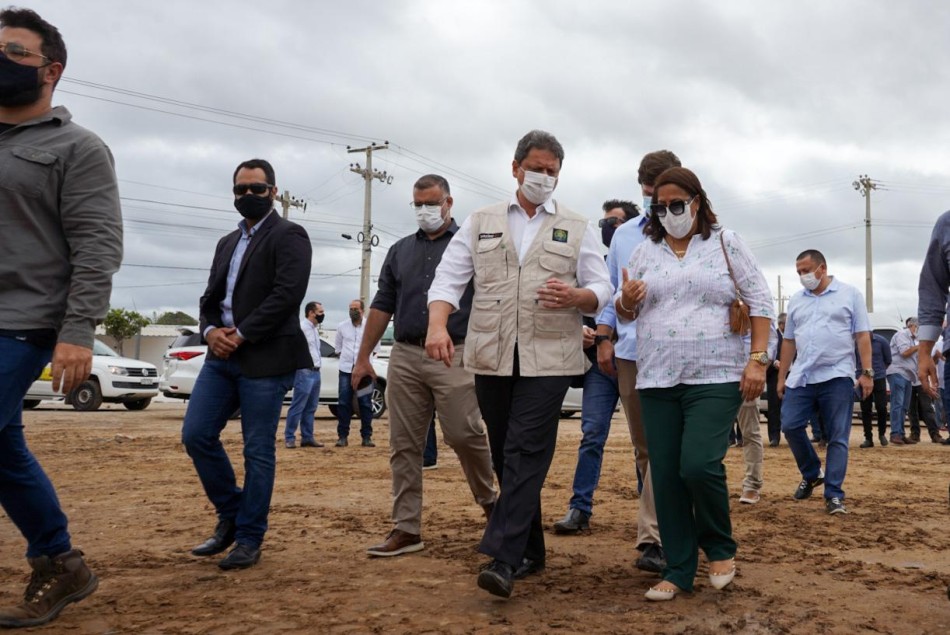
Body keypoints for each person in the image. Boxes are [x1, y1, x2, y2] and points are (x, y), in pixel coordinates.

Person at [426, 130, 612, 598]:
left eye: (552, 171)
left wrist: (578, 296)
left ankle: (503, 557)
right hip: (491, 354)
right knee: (507, 451)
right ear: (515, 168)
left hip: (550, 357)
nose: (543, 177)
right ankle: (531, 549)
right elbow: (448, 280)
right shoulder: (480, 221)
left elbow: (601, 287)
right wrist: (437, 325)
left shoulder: (577, 225)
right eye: (537, 168)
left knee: (525, 448)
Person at [0, 8, 121, 627]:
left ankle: (55, 558)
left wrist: (78, 333)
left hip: (22, 320)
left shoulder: (77, 148)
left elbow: (98, 246)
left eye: (13, 52)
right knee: (2, 443)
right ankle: (60, 561)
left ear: (51, 69)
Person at [617, 166, 774, 601]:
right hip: (657, 377)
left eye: (677, 205)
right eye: (660, 207)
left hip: (717, 375)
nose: (669, 213)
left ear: (697, 202)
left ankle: (720, 548)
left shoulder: (725, 241)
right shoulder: (646, 251)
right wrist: (625, 303)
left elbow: (760, 302)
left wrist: (758, 362)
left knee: (698, 465)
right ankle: (679, 568)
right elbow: (624, 309)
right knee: (664, 474)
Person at [352, 174, 496, 558]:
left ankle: (493, 507)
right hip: (405, 355)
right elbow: (382, 305)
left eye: (431, 203)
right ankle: (406, 527)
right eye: (417, 204)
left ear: (449, 203)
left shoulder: (470, 247)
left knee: (465, 435)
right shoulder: (399, 251)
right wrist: (363, 356)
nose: (424, 211)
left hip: (457, 353)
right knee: (404, 444)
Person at [182, 158, 312, 571]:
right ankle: (232, 514)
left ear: (273, 191)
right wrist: (209, 332)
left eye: (257, 189)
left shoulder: (290, 235)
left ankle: (250, 537)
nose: (248, 196)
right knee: (196, 435)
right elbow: (209, 300)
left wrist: (241, 333)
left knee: (258, 451)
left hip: (265, 358)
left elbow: (287, 294)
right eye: (241, 190)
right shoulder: (226, 242)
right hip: (219, 357)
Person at [582, 151, 683, 574]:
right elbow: (608, 291)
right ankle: (661, 535)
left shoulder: (702, 233)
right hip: (631, 353)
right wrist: (604, 338)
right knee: (647, 449)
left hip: (682, 354)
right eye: (645, 190)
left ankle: (660, 535)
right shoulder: (623, 236)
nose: (650, 198)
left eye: (657, 190)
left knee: (676, 450)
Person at [553, 199, 640, 535]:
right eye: (604, 222)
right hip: (599, 365)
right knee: (591, 435)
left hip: (637, 359)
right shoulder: (593, 264)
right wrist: (581, 331)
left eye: (614, 222)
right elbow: (577, 304)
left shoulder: (646, 261)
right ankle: (579, 508)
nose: (607, 228)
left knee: (643, 441)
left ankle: (651, 508)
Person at [778, 249, 872, 517]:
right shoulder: (796, 300)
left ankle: (833, 494)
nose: (802, 276)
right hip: (802, 376)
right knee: (790, 425)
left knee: (837, 437)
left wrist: (867, 372)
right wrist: (783, 376)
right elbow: (789, 341)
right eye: (798, 272)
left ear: (822, 268)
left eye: (806, 270)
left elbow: (862, 335)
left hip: (837, 375)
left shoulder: (850, 294)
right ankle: (812, 472)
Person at [734, 328, 778, 505]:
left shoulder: (756, 304)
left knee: (750, 433)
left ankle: (752, 485)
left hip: (747, 379)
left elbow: (771, 346)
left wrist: (759, 367)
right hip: (711, 377)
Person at [334, 299, 378, 447]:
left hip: (364, 372)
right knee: (344, 403)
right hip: (346, 370)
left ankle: (367, 437)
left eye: (356, 309)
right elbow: (338, 348)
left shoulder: (370, 326)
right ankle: (342, 436)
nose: (353, 311)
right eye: (350, 308)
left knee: (365, 403)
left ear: (362, 310)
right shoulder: (342, 327)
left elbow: (376, 347)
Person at [283, 301, 325, 449]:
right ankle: (289, 437)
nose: (322, 315)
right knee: (298, 405)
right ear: (311, 312)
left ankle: (307, 437)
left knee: (311, 407)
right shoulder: (301, 328)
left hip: (316, 372)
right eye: (320, 312)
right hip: (305, 371)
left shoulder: (314, 329)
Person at [887, 318, 925, 445]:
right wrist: (919, 346)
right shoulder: (902, 335)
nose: (919, 331)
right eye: (919, 328)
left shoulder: (913, 340)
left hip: (908, 376)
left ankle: (901, 433)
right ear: (912, 326)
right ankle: (895, 434)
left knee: (904, 406)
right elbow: (904, 352)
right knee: (897, 404)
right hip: (898, 372)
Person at [857, 331, 891, 448]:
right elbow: (855, 360)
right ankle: (868, 438)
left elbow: (888, 360)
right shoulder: (857, 343)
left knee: (881, 407)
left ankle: (882, 434)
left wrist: (877, 372)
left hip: (879, 378)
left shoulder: (881, 341)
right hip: (862, 379)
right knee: (865, 409)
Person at [765, 313, 786, 446]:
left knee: (792, 406)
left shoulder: (796, 335)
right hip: (774, 375)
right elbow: (766, 352)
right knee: (774, 407)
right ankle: (774, 437)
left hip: (792, 376)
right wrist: (773, 362)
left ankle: (792, 437)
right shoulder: (773, 336)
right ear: (781, 324)